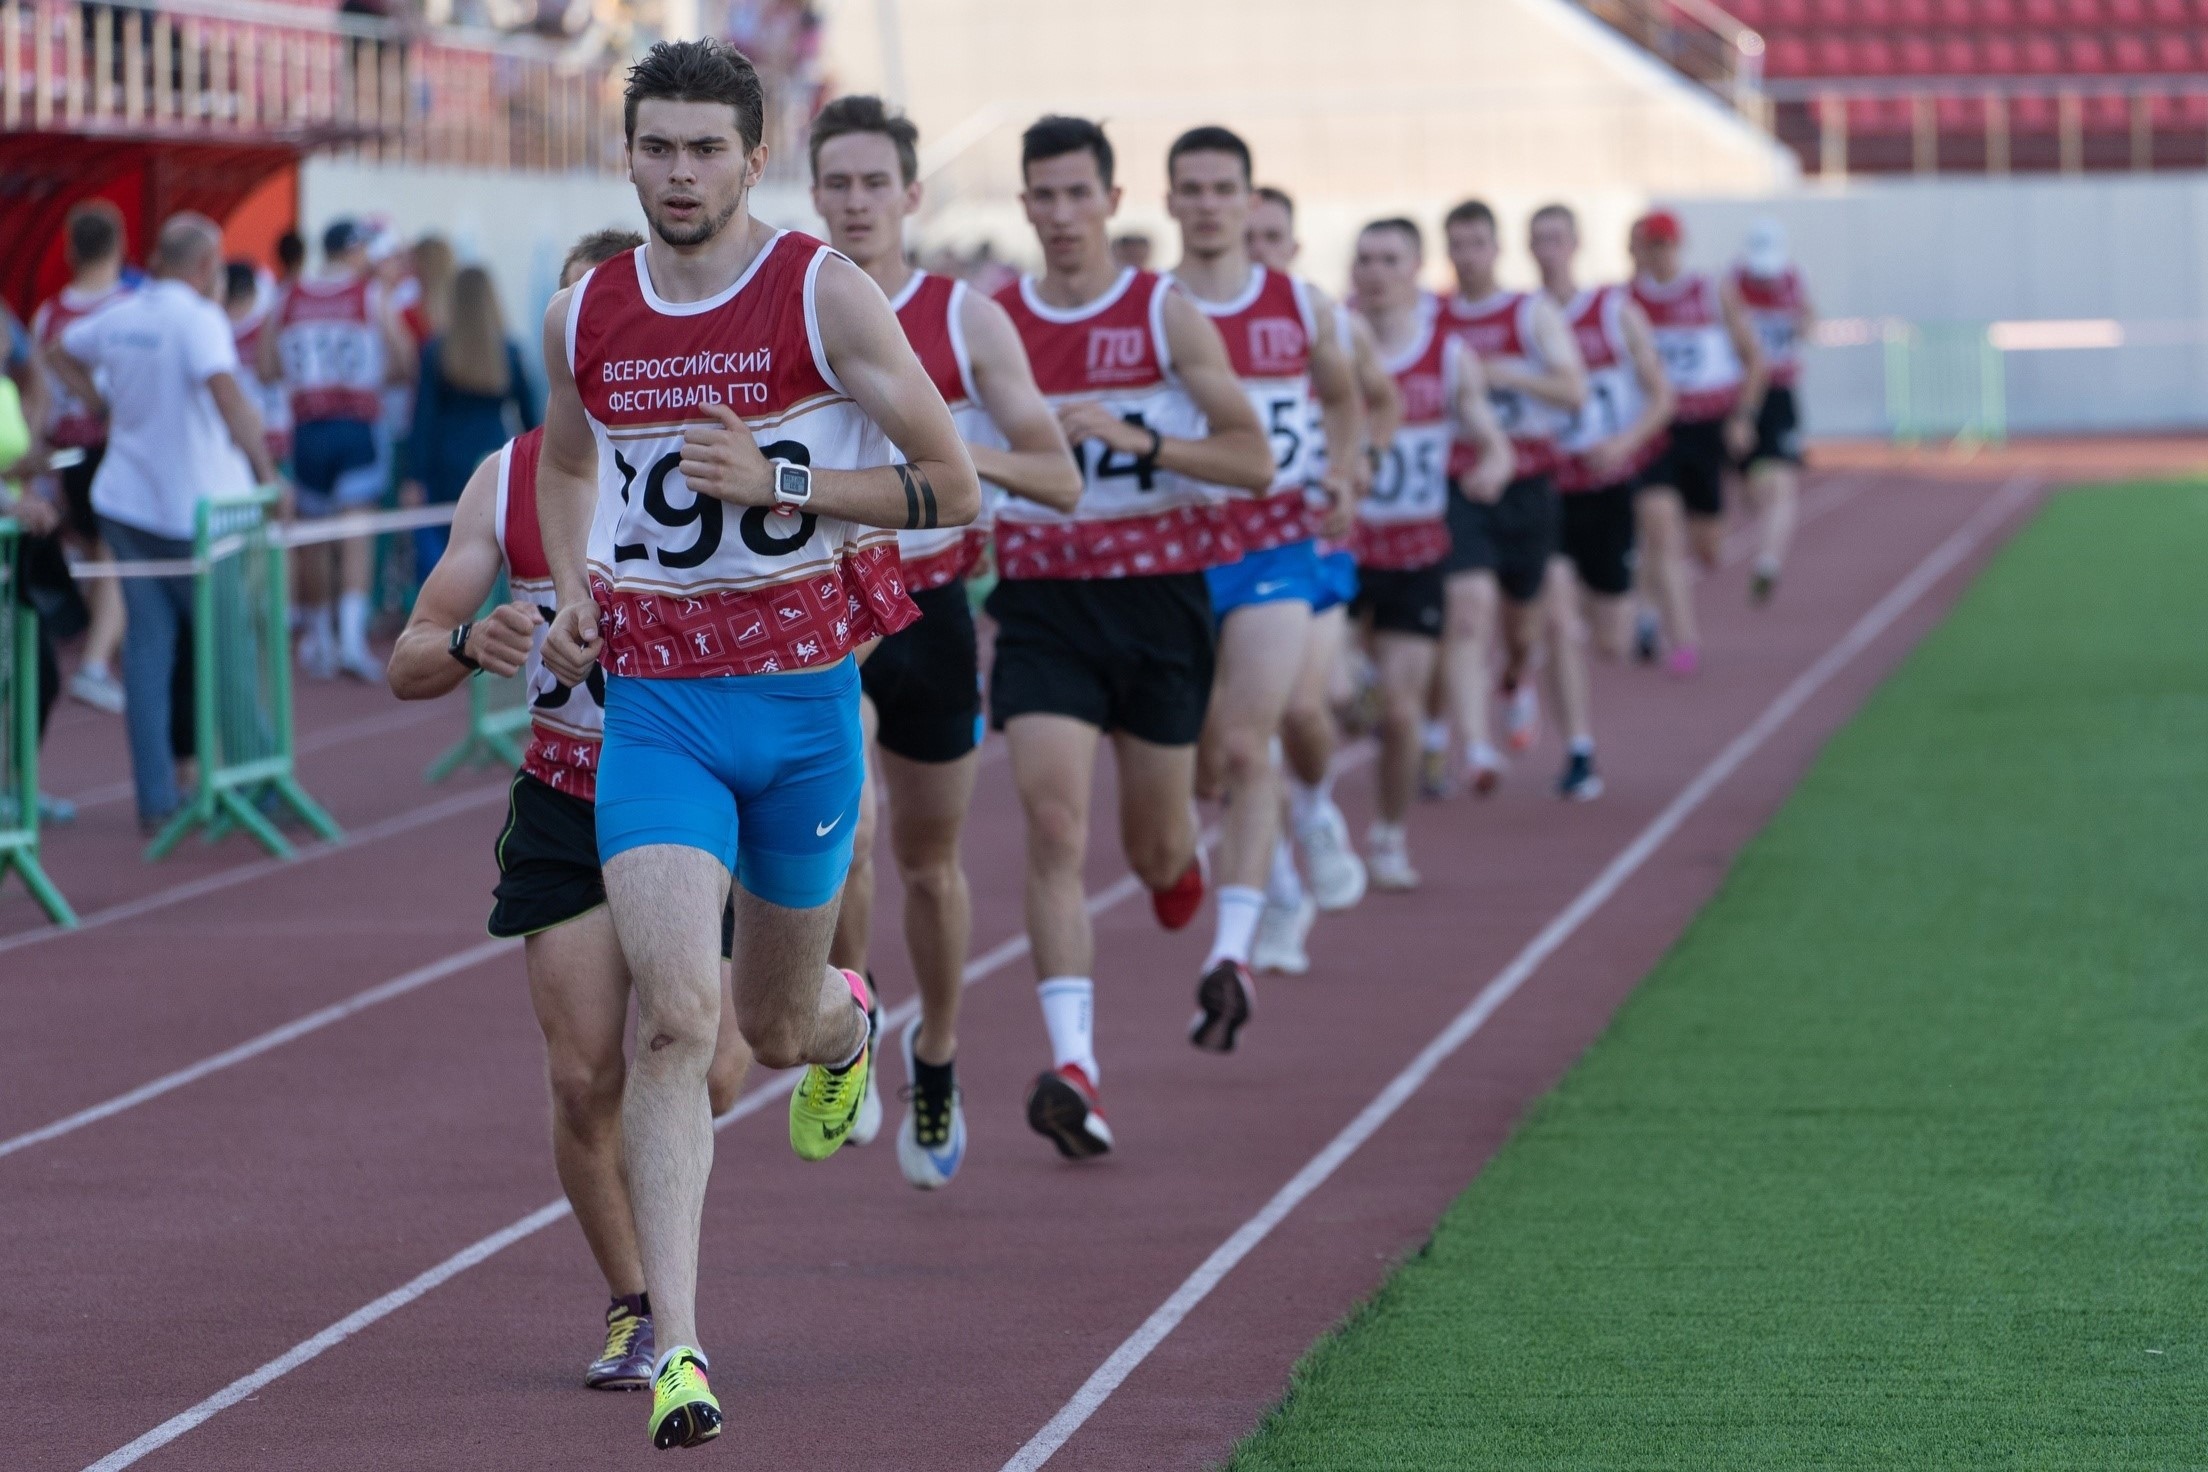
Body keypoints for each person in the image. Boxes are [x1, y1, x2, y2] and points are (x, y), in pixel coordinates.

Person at [530, 40, 980, 1450]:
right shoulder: (585, 311)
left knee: (774, 1026)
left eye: (703, 151)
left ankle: (853, 1023)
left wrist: (783, 473)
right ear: (628, 155)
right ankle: (681, 1348)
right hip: (656, 706)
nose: (678, 174)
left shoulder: (818, 293)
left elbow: (950, 487)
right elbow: (561, 459)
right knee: (677, 1017)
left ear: (750, 152)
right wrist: (573, 581)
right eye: (655, 149)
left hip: (799, 709)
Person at [389, 226, 757, 1396]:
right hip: (564, 790)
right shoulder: (505, 478)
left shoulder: (707, 455)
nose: (584, 353)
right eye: (568, 332)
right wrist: (466, 637)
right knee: (582, 1074)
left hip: (700, 789)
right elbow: (405, 659)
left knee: (712, 1062)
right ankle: (641, 1305)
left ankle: (821, 998)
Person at [807, 93, 1082, 1188]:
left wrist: (953, 463)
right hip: (828, 608)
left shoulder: (965, 318)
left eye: (877, 182)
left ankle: (940, 1050)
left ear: (911, 195)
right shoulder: (791, 302)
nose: (859, 201)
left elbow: (1056, 473)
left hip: (929, 607)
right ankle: (855, 1022)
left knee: (929, 862)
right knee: (853, 835)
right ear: (813, 192)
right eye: (839, 183)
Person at [987, 114, 1271, 1155]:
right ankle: (1076, 1064)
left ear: (1112, 202)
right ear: (1023, 206)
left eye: (1078, 196)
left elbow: (1253, 459)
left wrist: (1138, 434)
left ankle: (1178, 864)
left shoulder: (1164, 313)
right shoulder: (995, 321)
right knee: (1055, 826)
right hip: (1043, 603)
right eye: (1042, 197)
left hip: (1158, 601)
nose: (1061, 216)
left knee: (1154, 850)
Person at [1161, 127, 1362, 1020]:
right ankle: (1281, 852)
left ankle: (1253, 926)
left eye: (1222, 188)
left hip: (1281, 543)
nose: (1207, 203)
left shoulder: (1301, 303)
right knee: (1206, 768)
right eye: (1191, 188)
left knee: (1257, 738)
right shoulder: (1151, 306)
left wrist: (1347, 466)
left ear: (1250, 201)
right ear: (1168, 201)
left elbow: (1347, 392)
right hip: (1181, 551)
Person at [46, 213, 279, 831]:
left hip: (128, 500)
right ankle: (257, 780)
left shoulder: (125, 314)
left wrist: (101, 406)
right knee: (228, 646)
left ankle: (157, 797)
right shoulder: (197, 319)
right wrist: (266, 472)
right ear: (204, 267)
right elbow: (229, 395)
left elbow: (57, 351)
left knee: (148, 652)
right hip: (196, 510)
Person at [1244, 184, 1400, 971]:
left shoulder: (1319, 317)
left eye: (1273, 235)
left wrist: (1357, 464)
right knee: (1241, 742)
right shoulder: (1188, 316)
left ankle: (1313, 811)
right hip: (1222, 546)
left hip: (1313, 535)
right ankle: (1277, 895)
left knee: (1304, 709)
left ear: (1294, 245)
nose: (1259, 248)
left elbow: (1380, 399)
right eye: (1249, 234)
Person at [1349, 218, 1510, 890]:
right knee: (1329, 697)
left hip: (1415, 551)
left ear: (1417, 268)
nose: (1375, 271)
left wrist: (1495, 464)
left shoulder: (1447, 356)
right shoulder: (1330, 345)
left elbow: (1488, 433)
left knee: (1402, 710)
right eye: (1364, 259)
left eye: (1390, 259)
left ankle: (1386, 834)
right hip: (1341, 548)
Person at [1429, 199, 1587, 796]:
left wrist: (1509, 372)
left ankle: (1516, 679)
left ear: (1496, 249)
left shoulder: (1530, 313)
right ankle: (1475, 747)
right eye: (1457, 244)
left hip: (1527, 480)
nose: (1467, 256)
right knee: (1467, 610)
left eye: (1477, 243)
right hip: (1460, 483)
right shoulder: (1433, 316)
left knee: (1525, 626)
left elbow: (1573, 392)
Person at [261, 216, 412, 680]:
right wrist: (366, 382)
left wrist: (308, 380)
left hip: (308, 426)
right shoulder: (369, 296)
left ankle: (321, 638)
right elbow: (404, 359)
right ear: (350, 250)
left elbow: (266, 366)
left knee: (313, 538)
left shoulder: (287, 298)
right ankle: (349, 640)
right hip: (355, 425)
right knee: (355, 534)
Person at [1531, 203, 1674, 669]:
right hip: (1547, 485)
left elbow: (1661, 397)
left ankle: (1640, 611)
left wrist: (1622, 445)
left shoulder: (1613, 312)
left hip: (1606, 481)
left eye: (1557, 238)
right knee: (1556, 617)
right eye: (1539, 240)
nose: (1548, 250)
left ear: (1575, 245)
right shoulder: (1523, 317)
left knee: (1612, 639)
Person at [1628, 208, 1766, 674]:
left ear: (1679, 246)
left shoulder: (1710, 291)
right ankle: (1675, 634)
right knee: (1659, 526)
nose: (1660, 254)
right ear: (1639, 248)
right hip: (1653, 428)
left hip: (1705, 427)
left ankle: (1649, 601)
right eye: (1652, 245)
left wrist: (1744, 416)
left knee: (1708, 545)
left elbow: (1754, 359)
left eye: (1667, 245)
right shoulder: (1624, 301)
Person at [30, 200, 133, 715]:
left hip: (64, 451)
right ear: (119, 246)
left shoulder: (50, 313)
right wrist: (102, 405)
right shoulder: (130, 307)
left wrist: (36, 454)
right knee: (115, 555)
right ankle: (95, 663)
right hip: (109, 448)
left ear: (70, 249)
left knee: (97, 552)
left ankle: (98, 655)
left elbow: (37, 391)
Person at [402, 264, 539, 576]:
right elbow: (530, 419)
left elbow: (422, 418)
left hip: (445, 463)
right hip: (493, 459)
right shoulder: (510, 352)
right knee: (494, 550)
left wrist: (414, 476)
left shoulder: (437, 351)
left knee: (447, 553)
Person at [1728, 218, 1814, 604]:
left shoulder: (1793, 280)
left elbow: (1810, 321)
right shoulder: (1730, 286)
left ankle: (1768, 562)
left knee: (1783, 482)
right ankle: (1758, 518)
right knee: (1748, 483)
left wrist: (1800, 324)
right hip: (1741, 393)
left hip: (1779, 393)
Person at [224, 261, 292, 473]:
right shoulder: (271, 327)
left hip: (233, 442)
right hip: (277, 434)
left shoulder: (214, 333)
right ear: (253, 290)